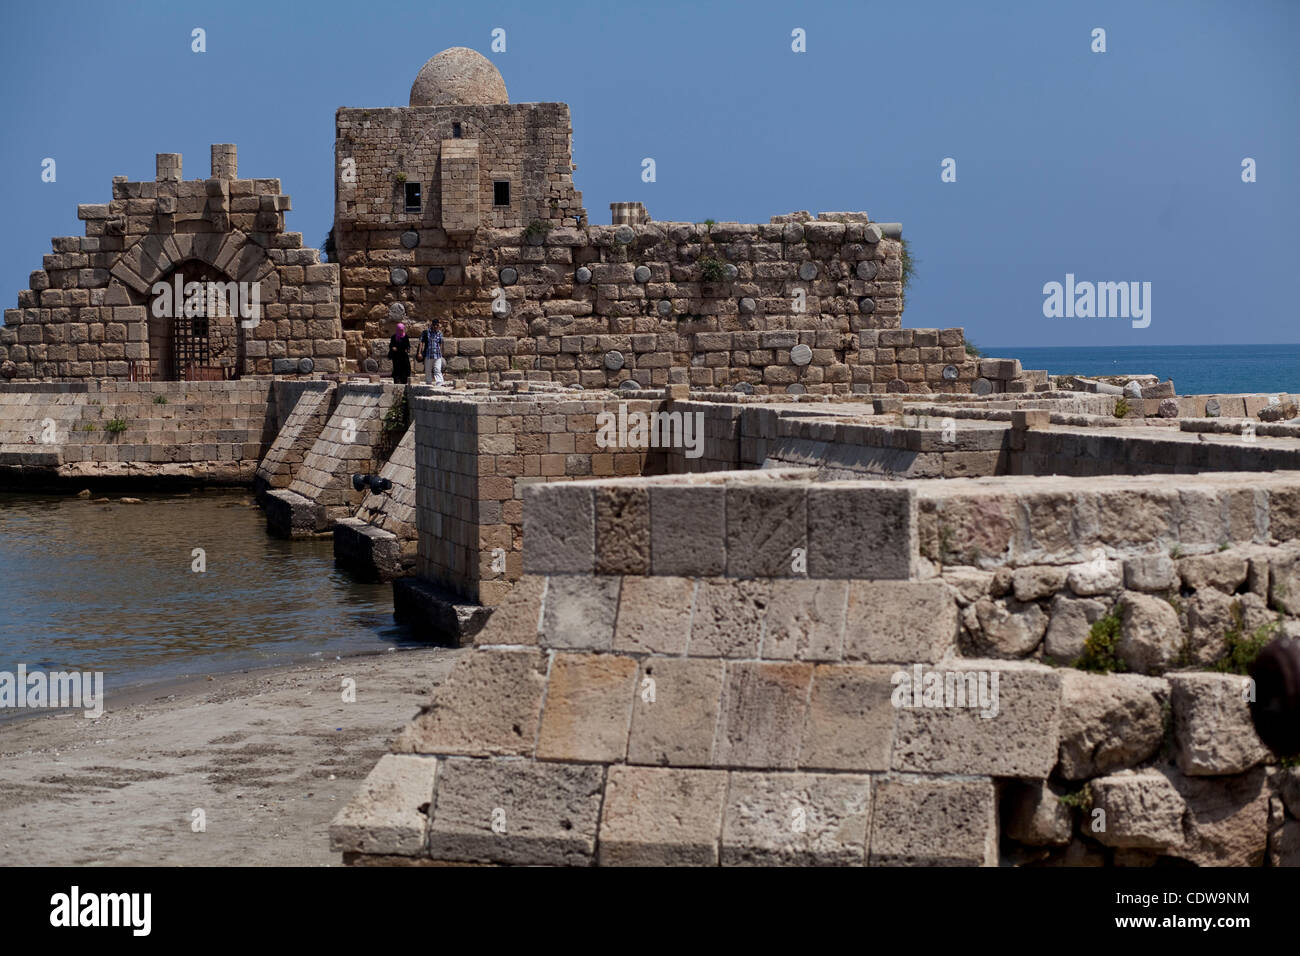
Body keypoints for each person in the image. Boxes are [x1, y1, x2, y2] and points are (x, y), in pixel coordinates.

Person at [418, 318, 445, 386]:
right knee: (428, 370)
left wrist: (441, 353)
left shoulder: (439, 333)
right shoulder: (426, 332)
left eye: (437, 325)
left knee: (437, 369)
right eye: (434, 325)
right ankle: (428, 383)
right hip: (428, 354)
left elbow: (441, 343)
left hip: (437, 355)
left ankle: (440, 383)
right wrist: (419, 352)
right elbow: (421, 342)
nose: (435, 326)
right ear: (432, 325)